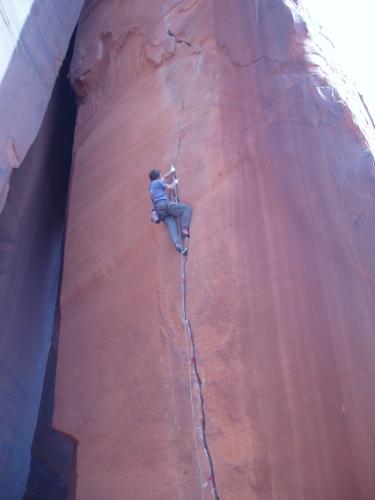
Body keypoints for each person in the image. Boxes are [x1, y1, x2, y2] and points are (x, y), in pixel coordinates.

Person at [149, 166, 192, 254]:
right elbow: (170, 187)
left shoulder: (152, 186)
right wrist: (175, 182)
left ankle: (178, 245)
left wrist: (170, 171)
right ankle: (184, 229)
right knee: (186, 208)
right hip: (164, 204)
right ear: (157, 177)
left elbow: (162, 178)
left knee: (171, 225)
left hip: (160, 211)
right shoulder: (157, 182)